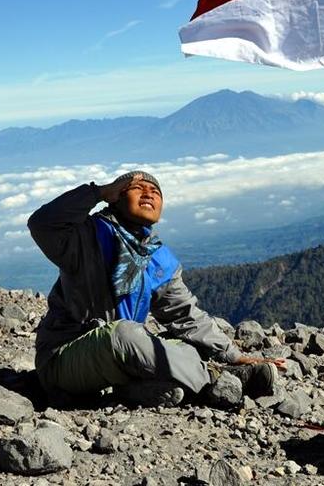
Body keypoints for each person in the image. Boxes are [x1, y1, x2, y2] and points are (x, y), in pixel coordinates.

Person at [27, 170, 282, 406]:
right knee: (125, 335)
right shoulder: (86, 238)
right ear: (116, 197)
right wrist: (99, 192)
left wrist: (232, 354)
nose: (149, 193)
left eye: (156, 191)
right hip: (65, 358)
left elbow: (185, 315)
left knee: (180, 343)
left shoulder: (156, 257)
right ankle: (218, 381)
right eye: (137, 187)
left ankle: (136, 391)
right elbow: (42, 224)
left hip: (117, 358)